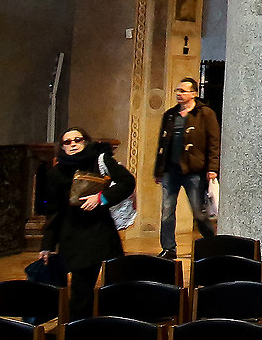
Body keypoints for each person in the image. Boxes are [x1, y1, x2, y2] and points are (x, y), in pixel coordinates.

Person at [42, 127, 134, 318]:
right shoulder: (55, 173)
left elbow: (127, 182)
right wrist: (47, 245)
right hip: (74, 237)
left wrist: (102, 198)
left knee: (116, 289)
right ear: (62, 147)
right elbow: (53, 211)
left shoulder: (100, 159)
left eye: (78, 140)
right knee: (80, 294)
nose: (73, 144)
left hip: (101, 233)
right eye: (68, 142)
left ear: (85, 142)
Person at [151, 77, 218, 254]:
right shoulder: (170, 115)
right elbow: (162, 144)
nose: (179, 94)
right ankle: (168, 248)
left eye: (183, 91)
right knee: (167, 211)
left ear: (194, 93)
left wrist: (212, 168)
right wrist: (159, 170)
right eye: (177, 91)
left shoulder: (205, 114)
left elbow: (213, 143)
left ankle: (213, 244)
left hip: (193, 171)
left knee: (198, 211)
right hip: (171, 171)